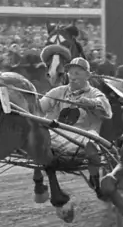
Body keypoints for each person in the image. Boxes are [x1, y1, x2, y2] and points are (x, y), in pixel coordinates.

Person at [38, 56, 112, 187]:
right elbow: (38, 108)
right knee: (38, 132)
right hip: (58, 136)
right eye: (70, 73)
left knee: (92, 140)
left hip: (83, 138)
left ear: (88, 75)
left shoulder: (95, 94)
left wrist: (89, 103)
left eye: (77, 73)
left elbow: (107, 111)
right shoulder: (58, 92)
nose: (72, 77)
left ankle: (94, 176)